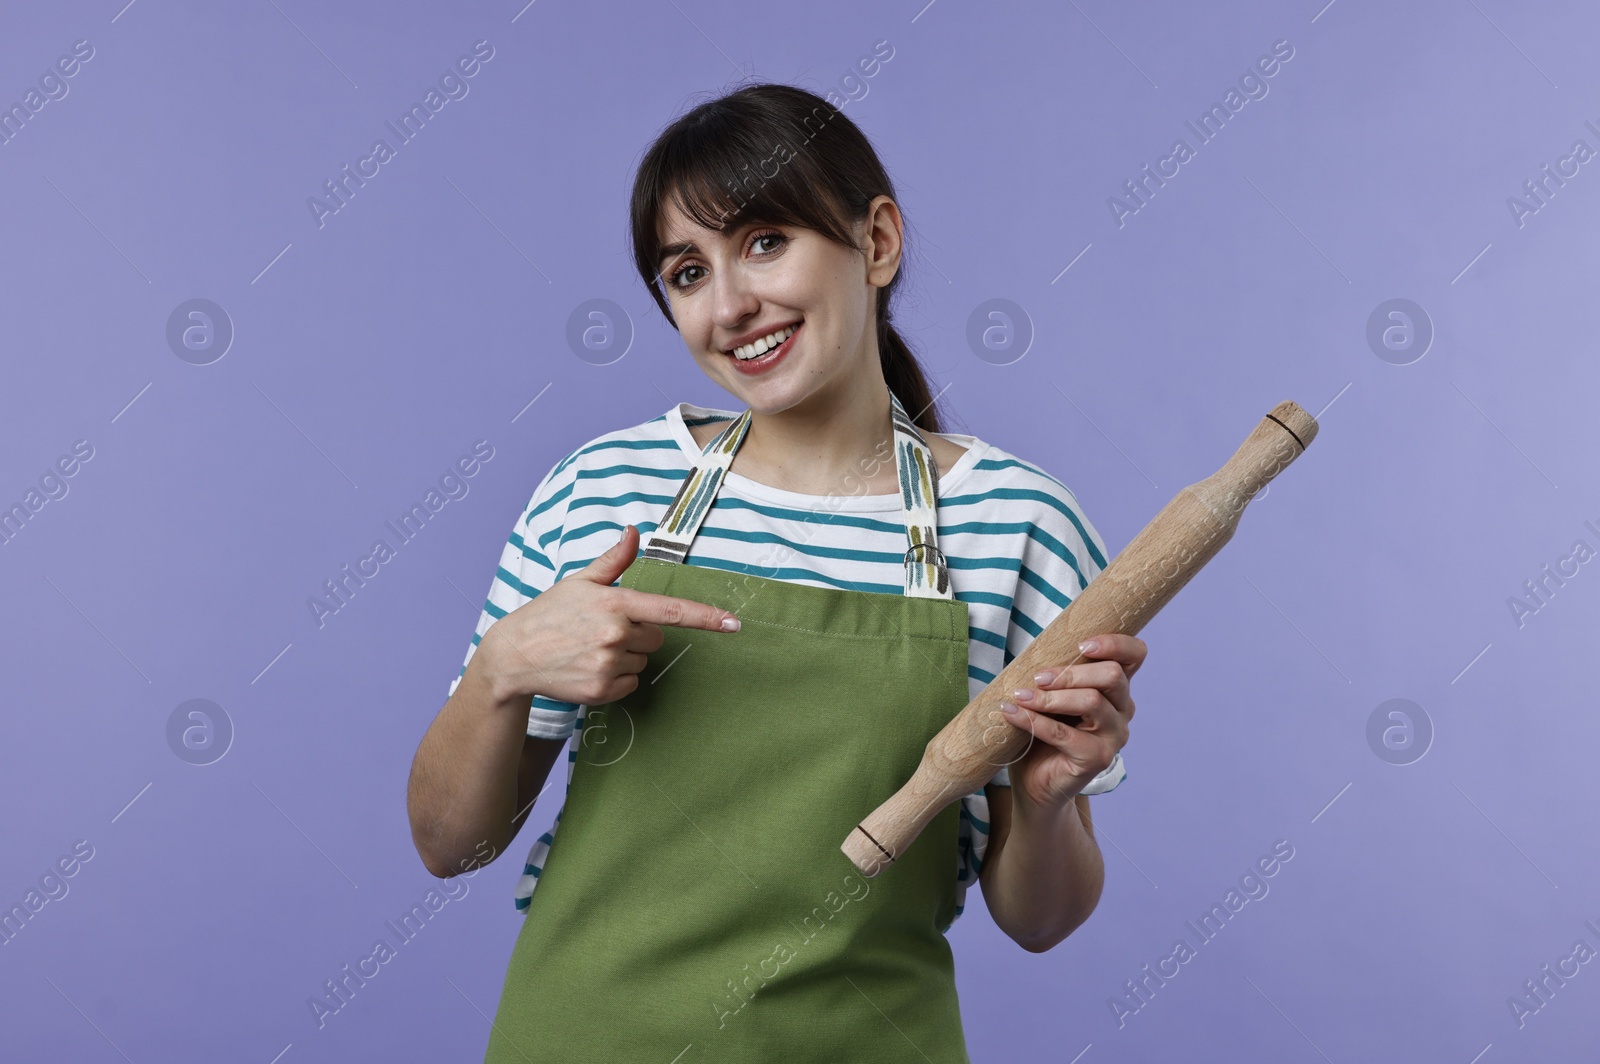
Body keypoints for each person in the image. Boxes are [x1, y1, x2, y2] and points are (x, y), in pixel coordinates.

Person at [407, 82, 1146, 1063]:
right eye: (685, 271)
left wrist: (1048, 805)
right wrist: (503, 667)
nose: (730, 303)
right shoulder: (605, 488)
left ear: (876, 241)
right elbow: (450, 843)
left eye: (764, 241)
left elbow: (1040, 919)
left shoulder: (1016, 524)